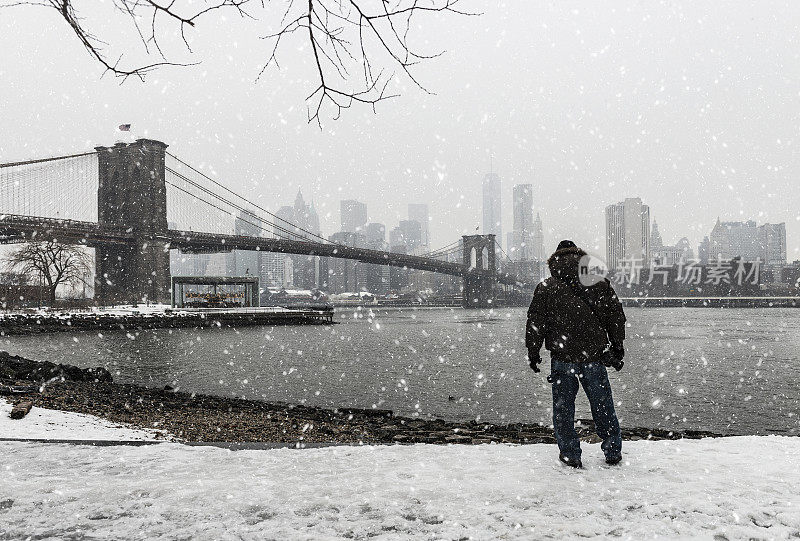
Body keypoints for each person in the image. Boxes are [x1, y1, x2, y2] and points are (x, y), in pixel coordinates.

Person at [525, 240, 627, 468]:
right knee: (603, 408)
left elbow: (535, 323)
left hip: (562, 359)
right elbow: (616, 317)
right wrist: (617, 346)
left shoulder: (546, 287)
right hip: (594, 357)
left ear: (555, 260)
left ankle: (571, 455)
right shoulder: (598, 283)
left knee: (563, 410)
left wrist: (533, 353)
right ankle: (612, 451)